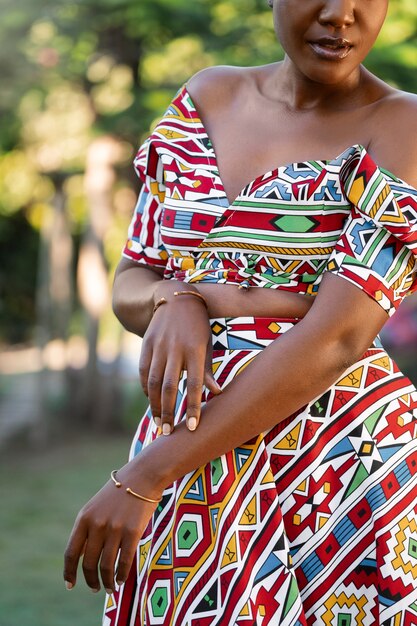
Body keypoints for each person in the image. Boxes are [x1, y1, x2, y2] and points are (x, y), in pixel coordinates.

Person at [64, 0, 417, 624]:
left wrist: (144, 478)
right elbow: (133, 278)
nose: (341, 14)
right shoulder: (208, 96)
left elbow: (338, 336)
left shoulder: (402, 126)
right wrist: (176, 298)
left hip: (338, 473)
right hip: (190, 476)